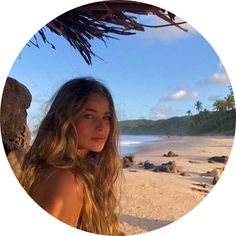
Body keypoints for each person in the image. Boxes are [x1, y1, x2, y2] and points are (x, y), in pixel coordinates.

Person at [19, 77, 125, 235]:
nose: (102, 126)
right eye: (89, 116)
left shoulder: (57, 169)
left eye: (106, 117)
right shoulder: (67, 180)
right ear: (66, 120)